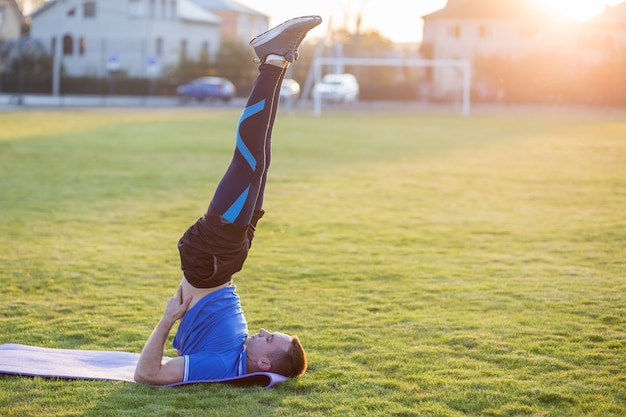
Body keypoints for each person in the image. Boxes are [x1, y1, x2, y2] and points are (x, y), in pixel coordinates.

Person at [134, 15, 322, 385]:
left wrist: (169, 318)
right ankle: (278, 59)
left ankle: (272, 60)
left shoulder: (220, 365)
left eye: (269, 338)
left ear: (264, 364)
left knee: (248, 158)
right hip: (225, 261)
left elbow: (146, 374)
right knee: (261, 161)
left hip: (211, 261)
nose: (264, 331)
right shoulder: (235, 355)